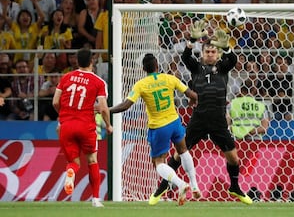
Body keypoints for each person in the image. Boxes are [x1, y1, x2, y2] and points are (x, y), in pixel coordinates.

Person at [150, 20, 253, 205]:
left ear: (218, 53)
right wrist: (191, 40)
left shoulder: (222, 67)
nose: (210, 54)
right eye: (207, 52)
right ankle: (163, 185)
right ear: (203, 54)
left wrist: (228, 48)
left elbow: (234, 61)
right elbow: (185, 58)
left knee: (233, 158)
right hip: (198, 119)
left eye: (214, 52)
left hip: (218, 120)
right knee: (177, 155)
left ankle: (235, 187)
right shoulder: (196, 67)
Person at [109, 53, 200, 206]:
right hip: (175, 122)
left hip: (159, 127)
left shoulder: (141, 84)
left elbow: (126, 105)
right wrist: (191, 101)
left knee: (158, 162)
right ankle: (195, 185)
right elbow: (193, 95)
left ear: (143, 68)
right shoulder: (170, 78)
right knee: (183, 151)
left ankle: (181, 184)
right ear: (158, 66)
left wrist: (108, 109)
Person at [52, 48, 113, 207]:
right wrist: (108, 125)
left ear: (77, 61)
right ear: (92, 61)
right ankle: (95, 199)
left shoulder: (66, 77)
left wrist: (64, 116)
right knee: (92, 160)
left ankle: (71, 173)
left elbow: (55, 102)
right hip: (86, 126)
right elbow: (103, 107)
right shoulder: (98, 82)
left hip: (66, 126)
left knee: (74, 162)